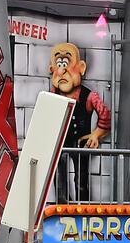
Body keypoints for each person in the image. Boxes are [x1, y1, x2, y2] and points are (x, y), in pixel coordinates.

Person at [47, 42, 112, 203]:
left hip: (81, 142)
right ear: (52, 69)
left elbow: (106, 116)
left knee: (81, 178)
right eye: (59, 64)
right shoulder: (52, 94)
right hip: (59, 143)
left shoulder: (89, 96)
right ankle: (62, 206)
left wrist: (96, 134)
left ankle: (82, 207)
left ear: (81, 67)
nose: (62, 70)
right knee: (58, 177)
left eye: (66, 63)